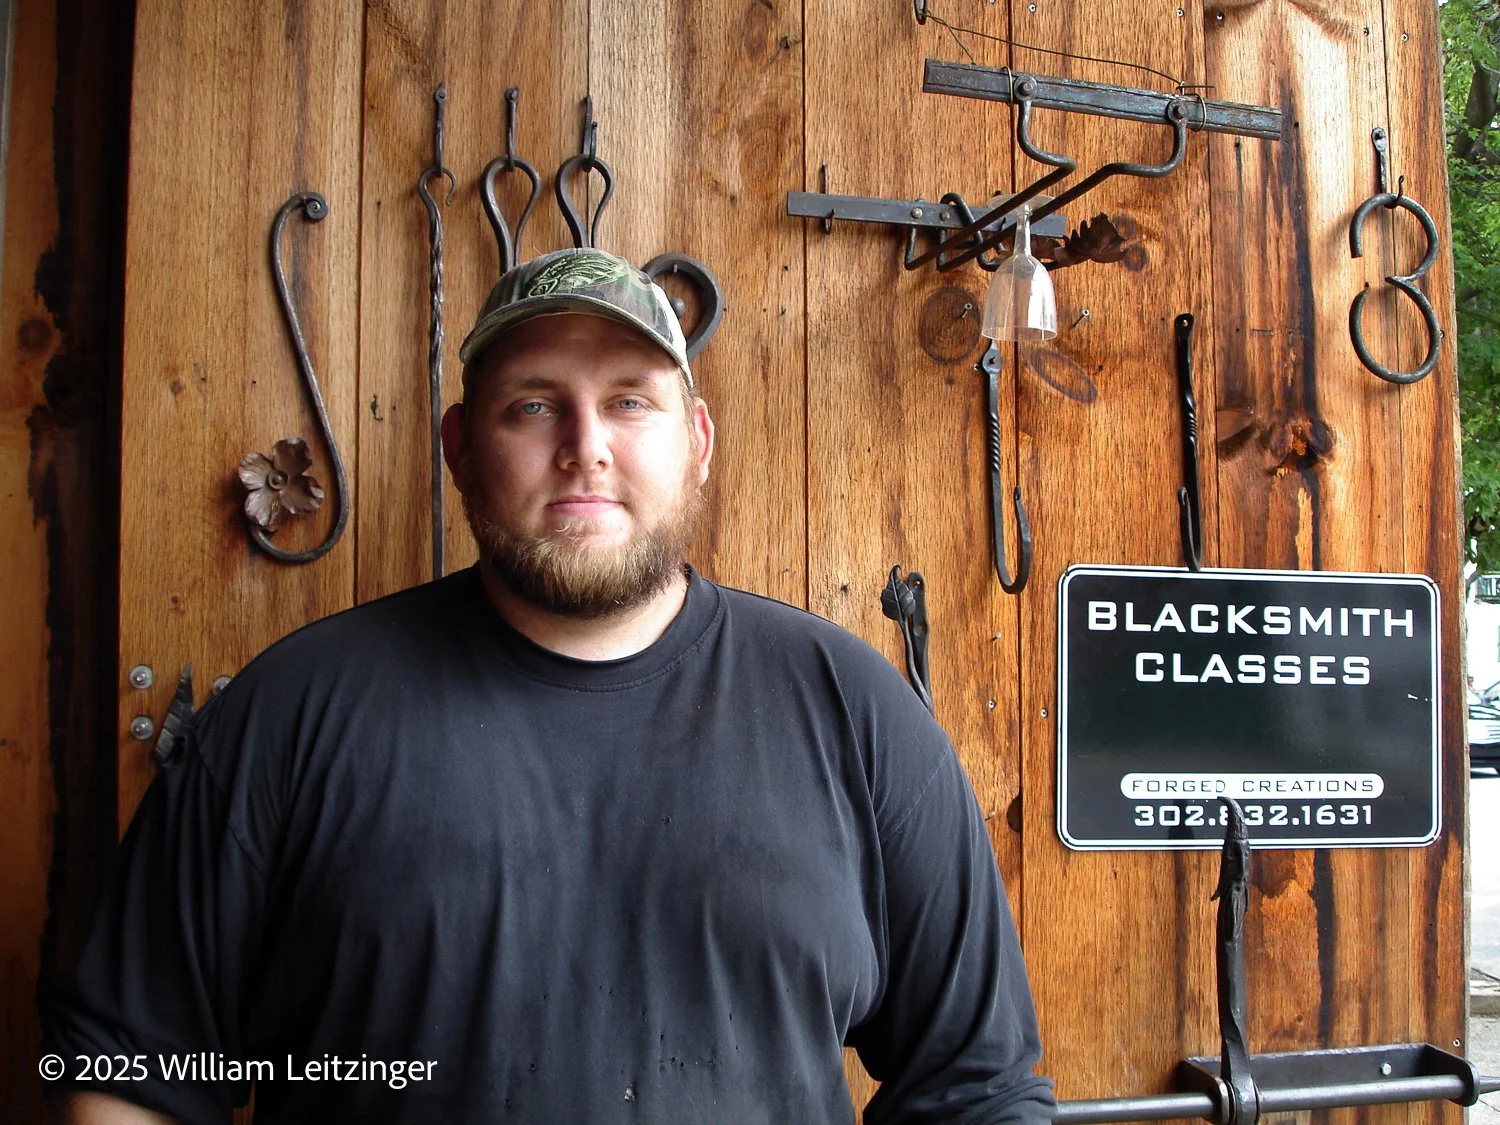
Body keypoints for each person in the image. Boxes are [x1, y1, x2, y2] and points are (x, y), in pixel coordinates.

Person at [44, 248, 1055, 1123]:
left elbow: (979, 1089)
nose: (586, 446)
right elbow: (129, 1070)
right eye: (533, 404)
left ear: (695, 441)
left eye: (629, 399)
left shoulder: (857, 717)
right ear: (458, 448)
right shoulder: (290, 717)